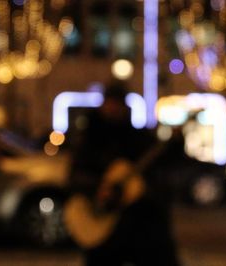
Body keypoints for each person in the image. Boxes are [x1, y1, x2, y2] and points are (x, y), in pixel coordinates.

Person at [66, 81, 180, 266]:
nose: (113, 108)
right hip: (103, 221)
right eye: (110, 103)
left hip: (136, 221)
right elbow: (75, 175)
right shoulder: (90, 140)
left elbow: (160, 166)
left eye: (117, 104)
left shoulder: (137, 138)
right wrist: (99, 188)